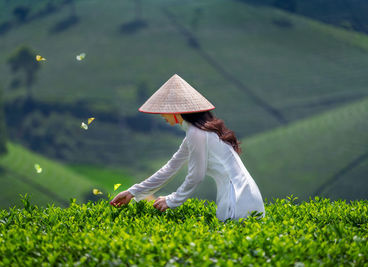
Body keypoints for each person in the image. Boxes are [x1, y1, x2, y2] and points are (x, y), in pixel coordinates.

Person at [110, 74, 265, 221]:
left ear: (177, 111)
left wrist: (172, 200)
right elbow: (170, 168)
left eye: (165, 109)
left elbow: (197, 175)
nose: (161, 114)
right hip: (244, 197)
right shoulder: (199, 133)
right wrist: (133, 192)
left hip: (237, 200)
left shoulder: (196, 133)